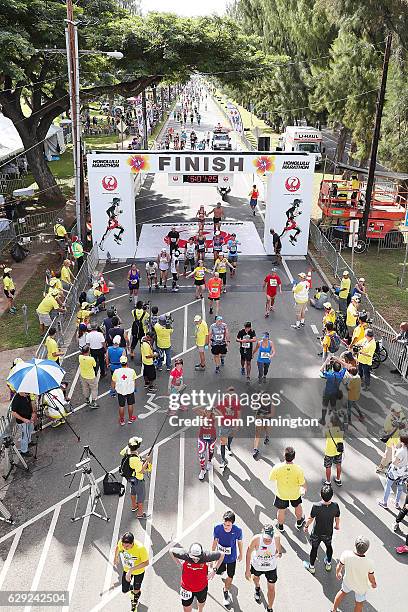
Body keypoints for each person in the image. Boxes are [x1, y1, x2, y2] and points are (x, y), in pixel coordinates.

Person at [169, 543, 223, 612]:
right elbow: (171, 551)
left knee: (201, 604)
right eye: (193, 558)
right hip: (186, 589)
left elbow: (222, 555)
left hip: (202, 588)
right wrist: (179, 564)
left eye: (198, 558)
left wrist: (214, 571)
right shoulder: (185, 555)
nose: (195, 560)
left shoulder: (206, 556)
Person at [331, 536, 377, 612]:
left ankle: (334, 610)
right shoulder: (369, 562)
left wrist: (338, 573)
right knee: (359, 603)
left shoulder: (346, 554)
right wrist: (373, 583)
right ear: (366, 549)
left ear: (355, 545)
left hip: (348, 581)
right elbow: (371, 576)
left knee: (342, 592)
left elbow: (339, 566)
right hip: (361, 587)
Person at [303, 483, 340, 574]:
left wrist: (306, 526)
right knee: (329, 546)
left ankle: (311, 567)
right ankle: (328, 563)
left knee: (314, 549)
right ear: (331, 496)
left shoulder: (316, 506)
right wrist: (337, 525)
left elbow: (310, 519)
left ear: (321, 495)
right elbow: (337, 517)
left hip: (317, 533)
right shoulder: (335, 506)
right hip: (328, 532)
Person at [245, 524, 281, 612]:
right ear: (262, 533)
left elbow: (279, 550)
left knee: (271, 589)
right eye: (265, 538)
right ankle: (257, 588)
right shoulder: (256, 539)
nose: (267, 540)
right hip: (257, 566)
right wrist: (247, 570)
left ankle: (269, 608)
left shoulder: (276, 538)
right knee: (255, 579)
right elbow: (248, 553)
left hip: (271, 568)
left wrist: (279, 553)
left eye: (269, 539)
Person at [269, 446, 306, 532]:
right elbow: (302, 483)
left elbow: (271, 478)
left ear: (284, 456)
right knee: (297, 506)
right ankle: (299, 522)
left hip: (281, 494)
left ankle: (280, 526)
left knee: (281, 510)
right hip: (295, 494)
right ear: (294, 457)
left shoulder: (277, 467)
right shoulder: (298, 469)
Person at [212, 510, 243, 608]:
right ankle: (221, 570)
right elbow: (215, 541)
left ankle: (225, 590)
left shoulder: (238, 530)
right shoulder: (217, 528)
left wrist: (241, 554)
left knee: (230, 575)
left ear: (232, 524)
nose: (226, 527)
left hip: (231, 557)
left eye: (228, 525)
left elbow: (240, 542)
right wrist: (212, 554)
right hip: (220, 557)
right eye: (224, 524)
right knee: (219, 571)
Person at [114, 531, 149, 611]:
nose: (125, 548)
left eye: (127, 546)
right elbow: (118, 547)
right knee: (124, 590)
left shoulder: (140, 548)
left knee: (136, 590)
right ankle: (136, 589)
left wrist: (131, 570)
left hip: (138, 572)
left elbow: (146, 562)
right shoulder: (121, 543)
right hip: (127, 570)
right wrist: (116, 557)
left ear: (132, 543)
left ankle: (135, 601)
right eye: (123, 545)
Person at [119, 436, 152, 518]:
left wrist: (140, 460)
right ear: (138, 447)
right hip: (138, 479)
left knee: (133, 491)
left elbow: (121, 453)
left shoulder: (127, 450)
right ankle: (140, 514)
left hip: (131, 478)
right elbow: (141, 471)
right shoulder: (135, 460)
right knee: (141, 495)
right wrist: (147, 460)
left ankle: (134, 506)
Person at [378, 436, 408, 509]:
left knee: (388, 486)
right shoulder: (405, 450)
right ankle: (397, 503)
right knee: (400, 488)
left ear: (402, 442)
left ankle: (384, 502)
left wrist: (393, 451)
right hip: (404, 473)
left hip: (395, 472)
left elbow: (394, 462)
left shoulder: (401, 451)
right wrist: (395, 449)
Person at [376, 403, 406, 473]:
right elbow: (387, 431)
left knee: (398, 455)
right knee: (388, 455)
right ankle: (381, 467)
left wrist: (402, 425)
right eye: (397, 412)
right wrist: (395, 426)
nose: (399, 413)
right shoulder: (388, 419)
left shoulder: (401, 415)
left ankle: (392, 467)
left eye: (399, 412)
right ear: (392, 411)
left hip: (400, 438)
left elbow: (405, 424)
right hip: (392, 440)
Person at [215, 387, 240, 468]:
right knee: (223, 442)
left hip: (233, 424)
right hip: (224, 425)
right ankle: (223, 460)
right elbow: (216, 409)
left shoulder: (236, 403)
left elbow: (238, 413)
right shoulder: (222, 402)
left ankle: (228, 446)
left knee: (230, 437)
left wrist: (237, 424)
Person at [319, 360, 347, 425]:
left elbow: (321, 370)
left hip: (327, 392)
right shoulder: (341, 374)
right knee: (333, 406)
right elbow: (345, 366)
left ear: (333, 368)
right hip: (335, 393)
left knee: (324, 406)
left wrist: (326, 361)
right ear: (340, 369)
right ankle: (335, 418)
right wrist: (338, 360)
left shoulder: (330, 374)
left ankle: (323, 420)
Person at [112, 355, 137, 425]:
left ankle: (122, 420)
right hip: (130, 390)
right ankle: (130, 418)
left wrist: (113, 390)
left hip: (121, 391)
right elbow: (134, 381)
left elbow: (113, 382)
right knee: (130, 404)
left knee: (121, 406)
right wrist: (134, 388)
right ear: (127, 362)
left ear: (120, 363)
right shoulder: (132, 371)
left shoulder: (116, 371)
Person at [194, 405, 217, 480]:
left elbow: (221, 415)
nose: (208, 413)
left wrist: (214, 409)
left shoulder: (213, 416)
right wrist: (203, 407)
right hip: (202, 437)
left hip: (212, 437)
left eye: (209, 411)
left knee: (211, 450)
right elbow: (194, 409)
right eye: (207, 411)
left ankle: (209, 461)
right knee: (201, 454)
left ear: (211, 412)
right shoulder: (202, 415)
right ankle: (202, 470)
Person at [10, 392, 37, 456]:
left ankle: (29, 442)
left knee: (30, 430)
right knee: (24, 436)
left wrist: (33, 413)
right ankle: (24, 451)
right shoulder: (16, 399)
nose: (27, 394)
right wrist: (23, 419)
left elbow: (30, 403)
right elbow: (13, 413)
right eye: (26, 393)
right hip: (22, 421)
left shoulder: (26, 395)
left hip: (29, 418)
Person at [323, 414, 344, 486]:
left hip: (329, 451)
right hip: (338, 450)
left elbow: (325, 435)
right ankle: (338, 480)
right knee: (338, 465)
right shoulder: (341, 429)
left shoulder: (328, 430)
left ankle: (328, 481)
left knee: (328, 466)